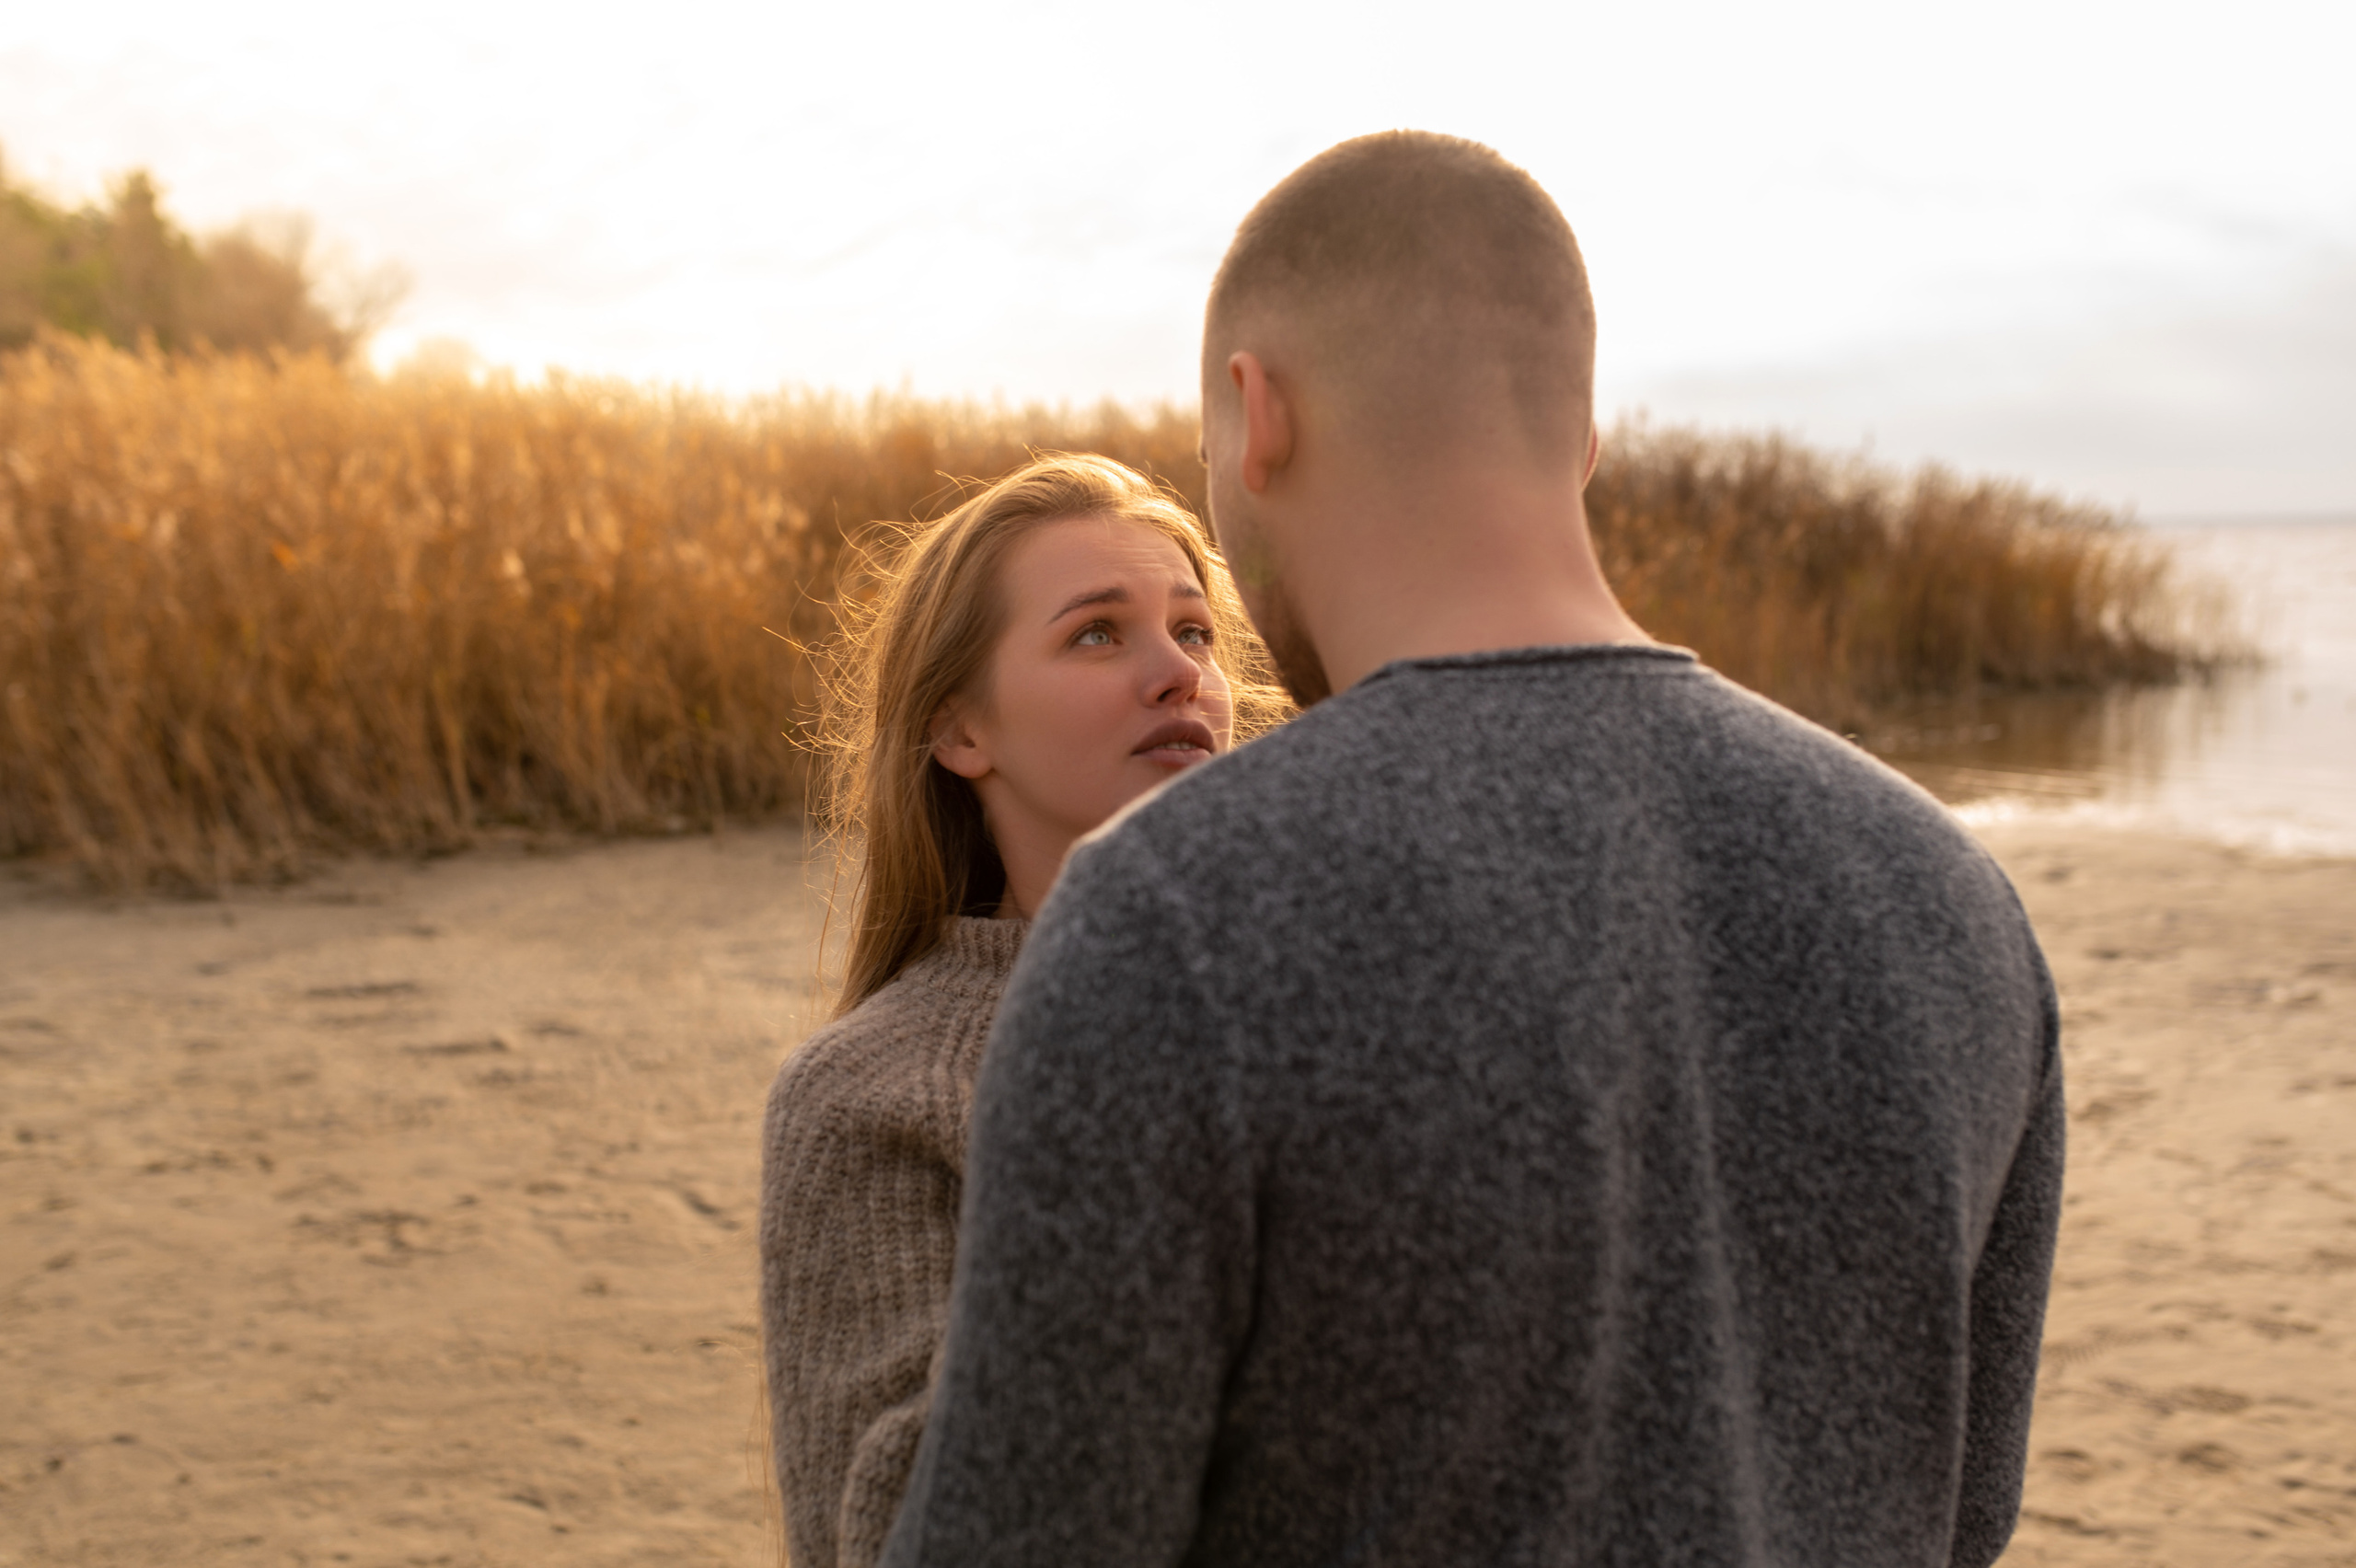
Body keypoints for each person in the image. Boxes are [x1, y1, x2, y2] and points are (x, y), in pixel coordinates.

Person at [879, 133, 2064, 1568]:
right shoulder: (1955, 905)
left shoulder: (1183, 915)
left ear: (1259, 417)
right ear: (1583, 440)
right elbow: (1958, 1515)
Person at [756, 454, 1284, 1568]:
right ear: (960, 731)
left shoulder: (1326, 1009)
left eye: (1194, 633)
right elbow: (889, 1536)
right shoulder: (870, 1094)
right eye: (1099, 632)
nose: (1177, 674)